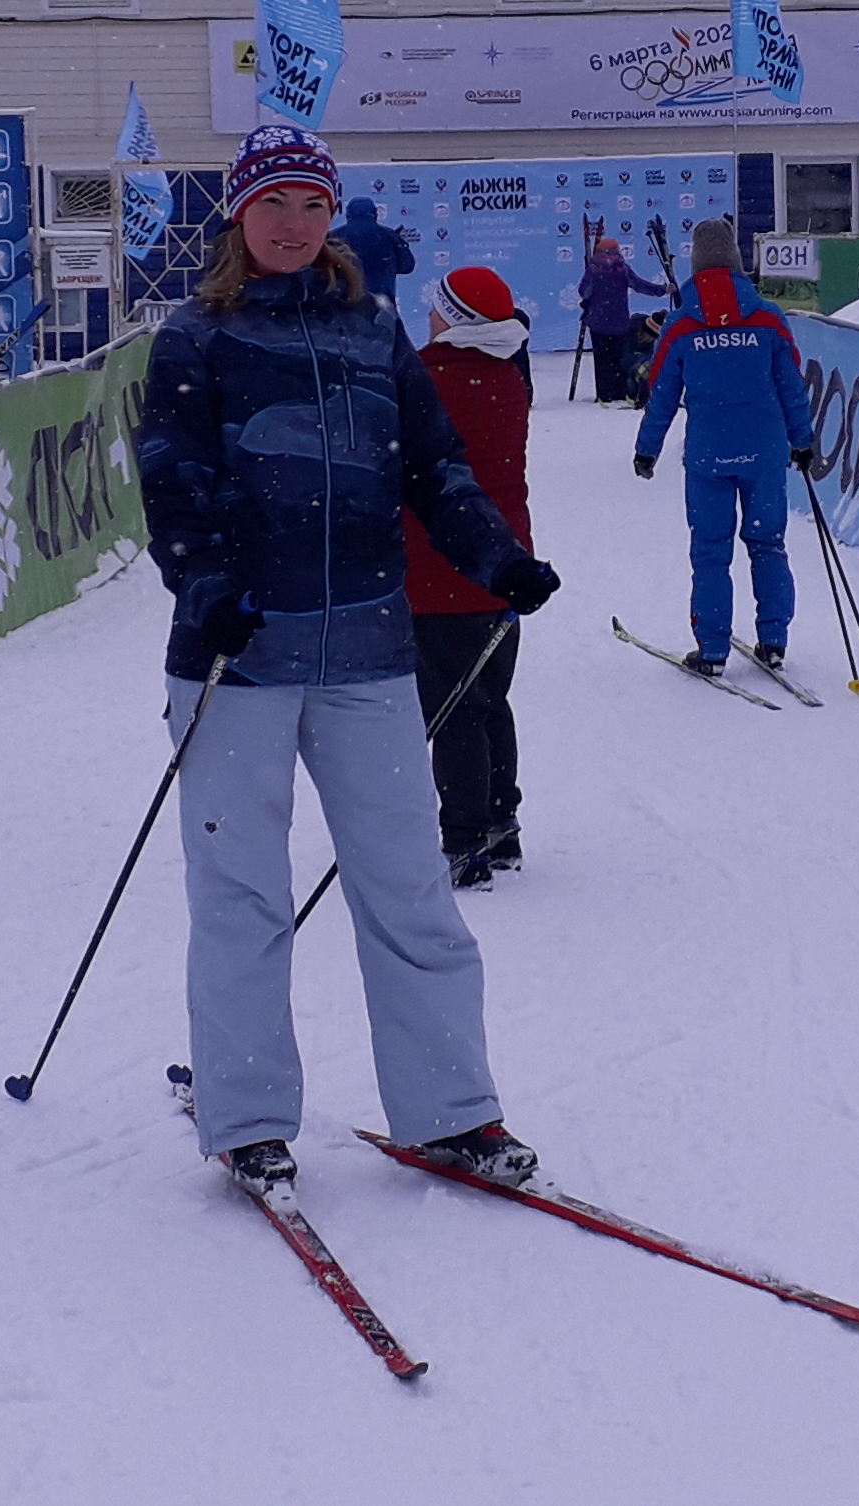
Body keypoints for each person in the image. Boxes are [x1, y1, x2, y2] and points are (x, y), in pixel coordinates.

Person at [134, 124, 563, 1198]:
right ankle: (245, 1118)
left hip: (369, 652)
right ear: (240, 215)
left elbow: (435, 469)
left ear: (333, 218)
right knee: (242, 896)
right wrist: (213, 590)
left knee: (410, 887)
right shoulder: (197, 338)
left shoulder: (376, 332)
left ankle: (451, 1112)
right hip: (239, 659)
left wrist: (497, 560)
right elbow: (174, 489)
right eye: (273, 204)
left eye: (312, 206)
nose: (292, 224)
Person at [633, 216, 818, 678]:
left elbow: (661, 394)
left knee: (711, 551)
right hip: (764, 451)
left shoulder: (680, 326)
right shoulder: (768, 319)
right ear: (738, 263)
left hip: (709, 455)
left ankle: (712, 648)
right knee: (768, 544)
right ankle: (773, 639)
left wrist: (647, 450)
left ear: (695, 266)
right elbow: (792, 385)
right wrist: (803, 441)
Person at [401, 264, 534, 888]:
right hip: (505, 565)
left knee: (454, 710)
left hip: (439, 568)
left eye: (437, 308)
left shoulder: (428, 381)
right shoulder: (508, 376)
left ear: (454, 320)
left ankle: (464, 841)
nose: (428, 316)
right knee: (488, 701)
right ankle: (501, 824)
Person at [580, 231, 667, 405]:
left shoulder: (593, 269)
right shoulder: (622, 268)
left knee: (602, 359)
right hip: (619, 322)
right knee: (619, 358)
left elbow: (584, 291)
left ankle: (604, 394)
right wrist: (662, 290)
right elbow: (640, 285)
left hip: (597, 323)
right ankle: (620, 392)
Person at [335, 194, 418, 322]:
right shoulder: (389, 236)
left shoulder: (335, 237)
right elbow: (407, 266)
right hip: (382, 303)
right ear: (375, 213)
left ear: (348, 214)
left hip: (344, 303)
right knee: (390, 339)